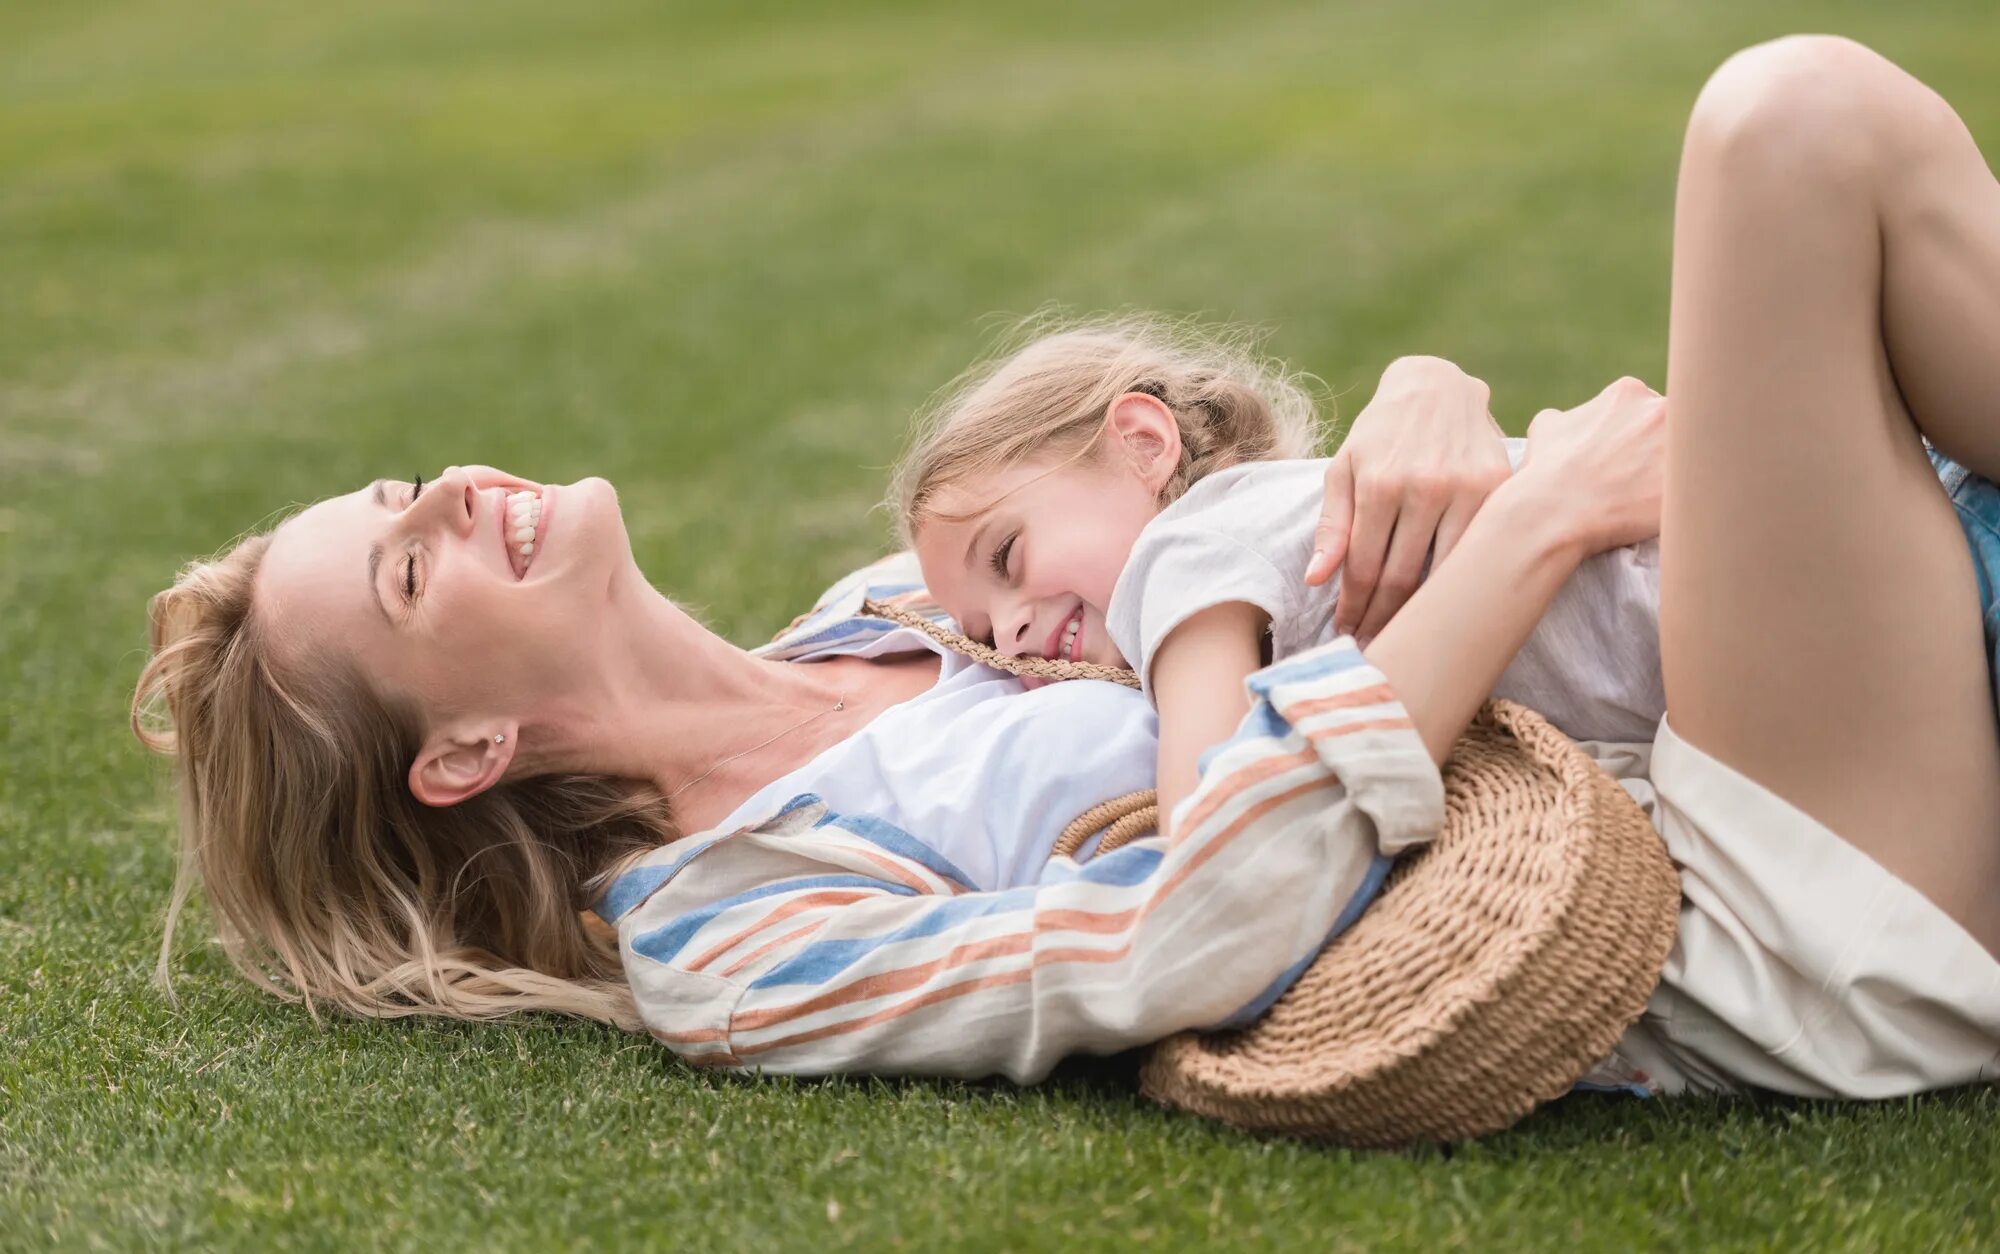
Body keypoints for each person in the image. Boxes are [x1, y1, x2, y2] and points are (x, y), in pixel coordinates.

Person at [134, 36, 2000, 1098]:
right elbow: (1186, 932)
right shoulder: (732, 943)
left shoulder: (898, 607)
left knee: (1826, 177)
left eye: (401, 488)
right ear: (458, 751)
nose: (451, 490)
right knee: (1791, 128)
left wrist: (1421, 407)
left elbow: (1234, 515)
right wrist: (1528, 532)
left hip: (1750, 710)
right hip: (1767, 909)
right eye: (405, 569)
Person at [890, 316, 1668, 829]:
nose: (1014, 629)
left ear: (1142, 443)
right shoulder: (1276, 532)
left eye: (1006, 557)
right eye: (985, 631)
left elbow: (1217, 833)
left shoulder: (1184, 549)